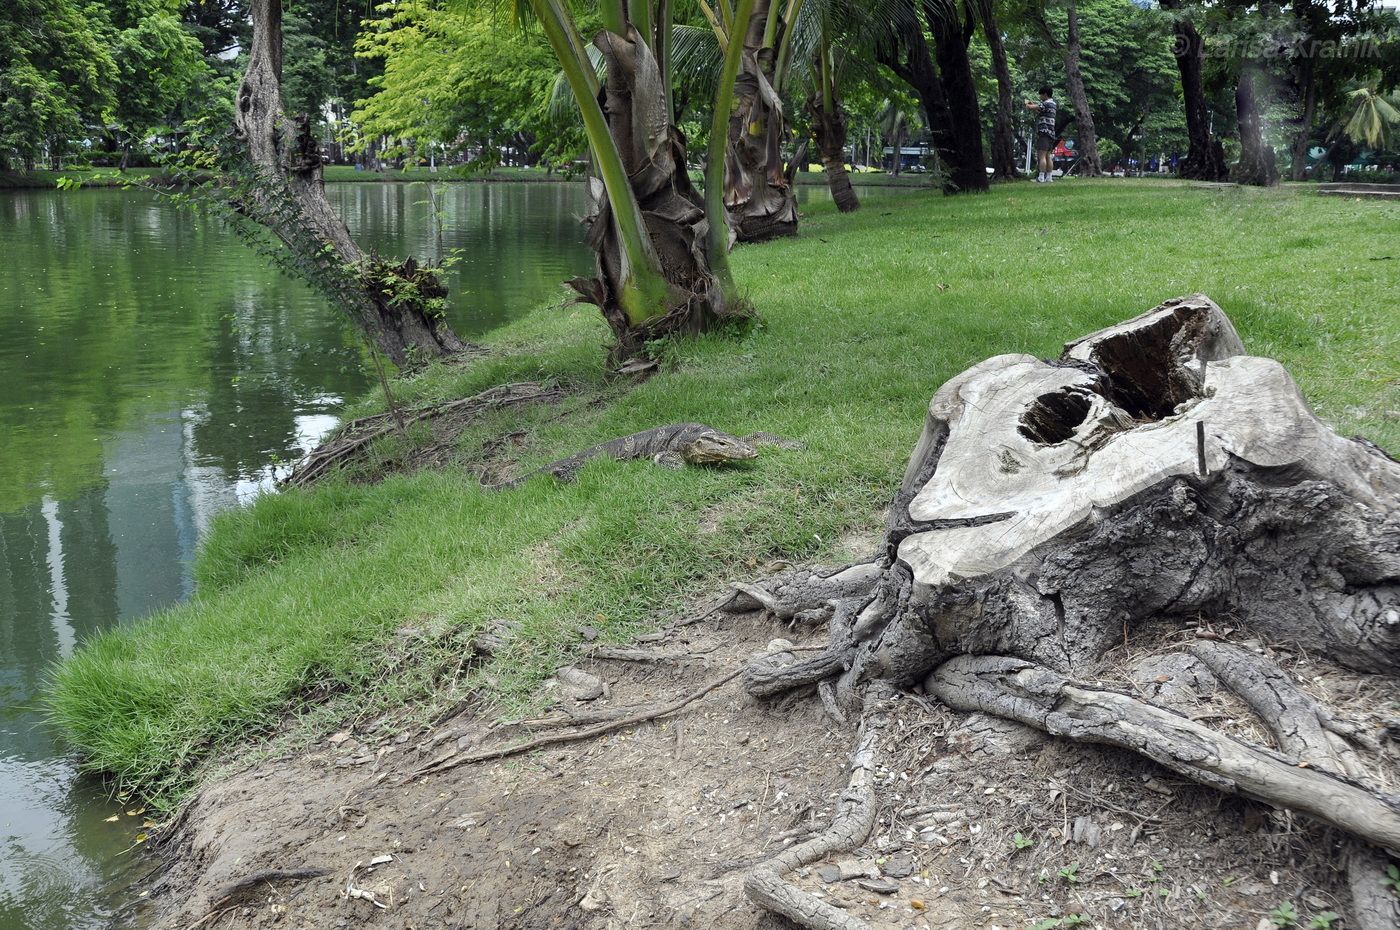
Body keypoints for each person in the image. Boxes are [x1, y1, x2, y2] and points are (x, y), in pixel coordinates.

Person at [1024, 86, 1058, 183]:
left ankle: (1041, 177)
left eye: (1041, 95)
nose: (1040, 97)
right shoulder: (1053, 104)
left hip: (1044, 131)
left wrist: (1028, 105)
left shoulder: (1046, 103)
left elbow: (1034, 107)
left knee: (1041, 155)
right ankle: (1049, 177)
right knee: (1048, 155)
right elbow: (1040, 110)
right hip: (1051, 132)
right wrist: (1033, 106)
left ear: (1045, 94)